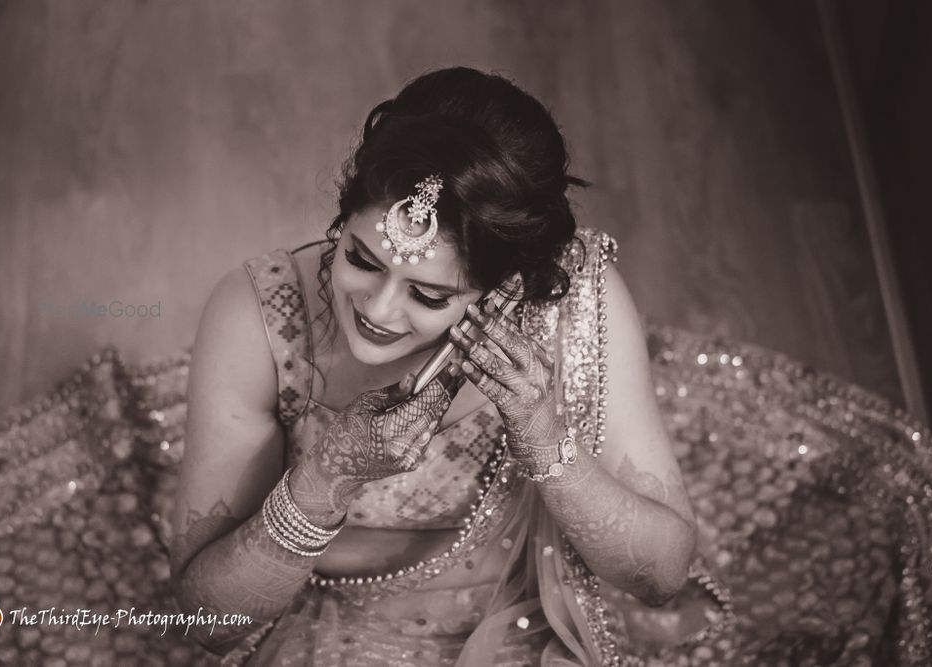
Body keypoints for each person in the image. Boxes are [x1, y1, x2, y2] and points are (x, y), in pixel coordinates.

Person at [168, 66, 700, 666]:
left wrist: (547, 444)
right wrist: (328, 477)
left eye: (429, 295)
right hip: (328, 628)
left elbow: (662, 577)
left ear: (506, 287)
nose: (378, 308)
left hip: (523, 625)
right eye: (360, 259)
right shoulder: (260, 315)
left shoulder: (572, 307)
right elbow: (203, 621)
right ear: (342, 221)